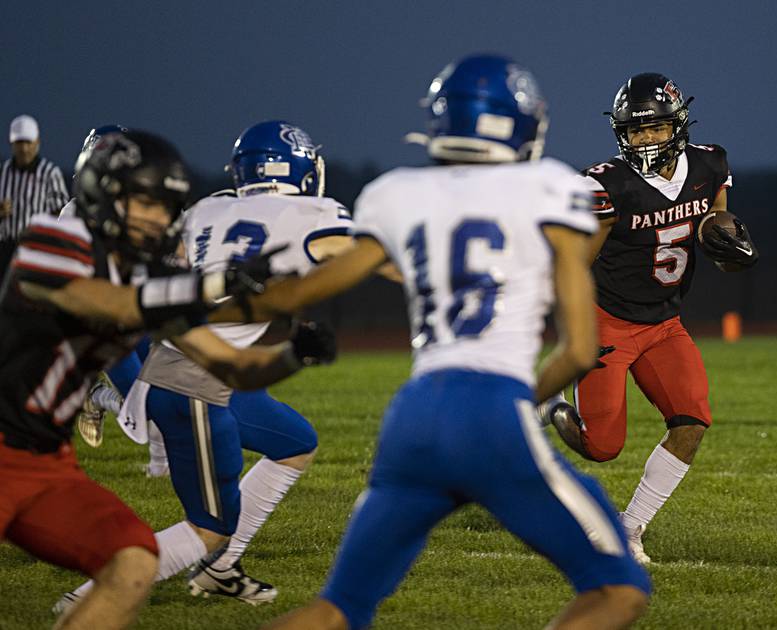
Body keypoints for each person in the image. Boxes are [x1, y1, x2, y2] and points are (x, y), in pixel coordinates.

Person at [243, 54, 650, 630]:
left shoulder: (396, 192)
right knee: (619, 589)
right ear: (520, 123)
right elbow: (580, 351)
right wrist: (519, 400)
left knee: (338, 608)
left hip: (414, 414)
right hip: (490, 410)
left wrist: (201, 296)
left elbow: (290, 295)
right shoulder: (552, 188)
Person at [56, 120, 353, 610]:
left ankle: (219, 569)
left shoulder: (209, 207)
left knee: (296, 443)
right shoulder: (313, 210)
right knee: (207, 526)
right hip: (195, 375)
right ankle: (84, 601)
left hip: (196, 357)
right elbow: (359, 252)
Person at [538, 73, 759, 565]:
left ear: (677, 125)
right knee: (602, 448)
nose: (646, 140)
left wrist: (729, 247)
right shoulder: (608, 184)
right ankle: (552, 406)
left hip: (664, 323)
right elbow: (577, 263)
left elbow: (711, 227)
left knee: (693, 420)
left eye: (655, 129)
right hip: (608, 323)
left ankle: (628, 529)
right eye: (636, 132)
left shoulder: (710, 164)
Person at [0, 114, 70, 273]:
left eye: (28, 142)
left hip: (35, 248)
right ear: (11, 143)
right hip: (4, 249)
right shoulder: (2, 172)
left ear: (37, 142)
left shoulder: (50, 173)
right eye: (19, 142)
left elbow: (62, 215)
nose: (24, 148)